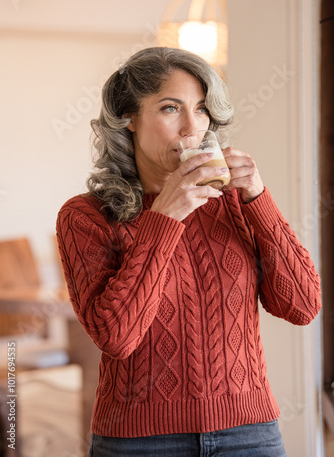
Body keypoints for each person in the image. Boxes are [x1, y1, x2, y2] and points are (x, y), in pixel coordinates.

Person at [56, 47, 321, 457]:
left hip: (249, 434)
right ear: (128, 118)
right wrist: (164, 218)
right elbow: (116, 337)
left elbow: (302, 305)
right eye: (169, 108)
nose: (190, 128)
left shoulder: (231, 202)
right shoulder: (85, 216)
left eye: (201, 110)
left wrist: (258, 199)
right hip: (139, 442)